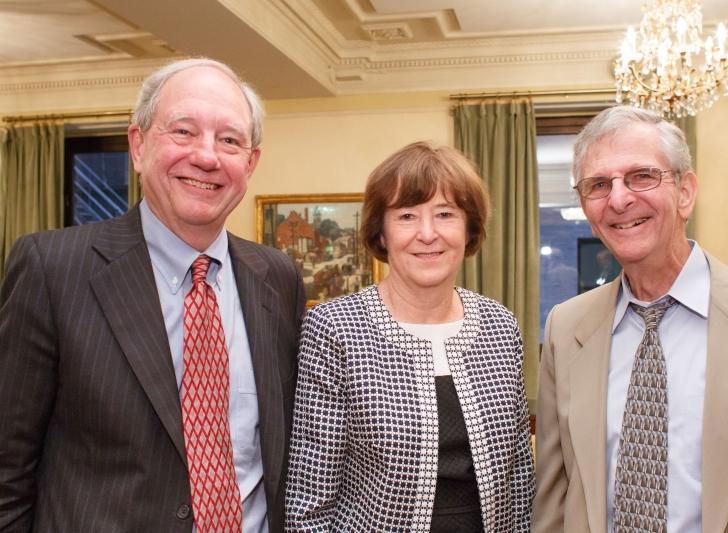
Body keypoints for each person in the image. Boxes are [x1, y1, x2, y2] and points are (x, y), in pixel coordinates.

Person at [0, 58, 305, 532]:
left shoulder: (279, 278)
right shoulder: (53, 269)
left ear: (251, 162)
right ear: (138, 146)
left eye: (229, 139)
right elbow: (7, 471)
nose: (207, 156)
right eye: (183, 132)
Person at [534, 105, 728, 532]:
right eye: (598, 185)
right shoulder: (567, 327)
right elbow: (554, 495)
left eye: (641, 176)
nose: (620, 199)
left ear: (685, 192)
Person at [285, 141, 534, 532]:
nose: (428, 233)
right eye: (406, 216)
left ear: (468, 229)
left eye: (445, 214)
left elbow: (520, 479)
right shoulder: (335, 329)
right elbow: (308, 499)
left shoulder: (499, 325)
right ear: (380, 233)